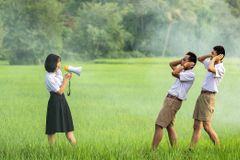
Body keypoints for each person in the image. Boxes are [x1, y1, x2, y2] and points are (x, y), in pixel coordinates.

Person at [152, 52, 197, 150]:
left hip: (173, 101)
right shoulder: (184, 71)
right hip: (171, 100)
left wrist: (184, 65)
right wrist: (183, 61)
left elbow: (174, 73)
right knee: (169, 126)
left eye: (185, 60)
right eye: (182, 59)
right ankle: (175, 150)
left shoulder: (190, 74)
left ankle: (153, 151)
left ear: (192, 63)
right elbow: (171, 64)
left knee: (159, 125)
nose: (182, 61)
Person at [189, 46, 225, 149]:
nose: (211, 54)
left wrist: (214, 58)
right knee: (196, 125)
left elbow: (210, 68)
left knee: (207, 126)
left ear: (219, 56)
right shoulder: (212, 62)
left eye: (213, 53)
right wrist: (211, 55)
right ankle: (191, 149)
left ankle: (219, 148)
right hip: (202, 95)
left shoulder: (220, 68)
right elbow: (199, 59)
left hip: (209, 97)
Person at [44, 53, 76, 145]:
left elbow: (62, 84)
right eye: (58, 62)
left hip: (62, 102)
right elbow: (60, 91)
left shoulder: (58, 72)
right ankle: (52, 153)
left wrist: (67, 78)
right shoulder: (48, 77)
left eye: (60, 62)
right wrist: (66, 80)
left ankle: (76, 151)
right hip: (54, 102)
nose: (60, 64)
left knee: (69, 130)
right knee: (51, 131)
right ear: (52, 63)